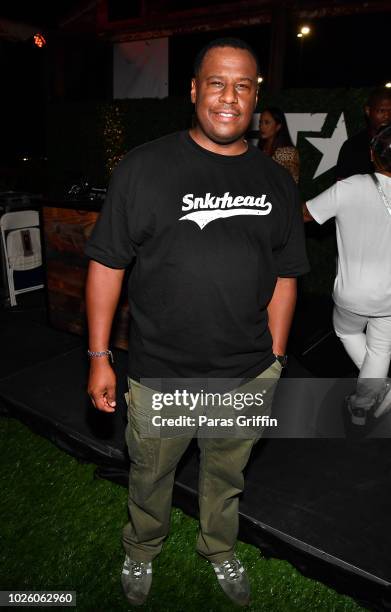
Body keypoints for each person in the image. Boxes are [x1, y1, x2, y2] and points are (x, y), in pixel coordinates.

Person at [85, 37, 309, 607]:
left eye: (242, 85)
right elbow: (108, 265)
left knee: (225, 480)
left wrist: (276, 359)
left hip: (246, 373)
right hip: (162, 373)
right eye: (216, 82)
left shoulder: (278, 182)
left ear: (256, 97)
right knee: (150, 477)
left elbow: (287, 276)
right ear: (193, 90)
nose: (228, 97)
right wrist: (99, 357)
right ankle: (141, 549)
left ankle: (218, 546)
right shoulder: (144, 167)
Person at [304, 123, 391, 426]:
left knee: (347, 331)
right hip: (390, 296)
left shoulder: (349, 187)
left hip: (352, 293)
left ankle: (373, 396)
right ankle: (363, 405)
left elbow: (306, 213)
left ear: (371, 154)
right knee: (380, 349)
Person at [336, 87, 391, 180]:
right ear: (368, 111)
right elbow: (342, 184)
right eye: (381, 111)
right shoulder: (352, 146)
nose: (387, 116)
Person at [258, 106, 300, 183]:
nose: (261, 126)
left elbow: (292, 183)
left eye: (267, 122)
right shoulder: (259, 151)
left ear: (278, 126)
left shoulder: (289, 152)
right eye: (260, 122)